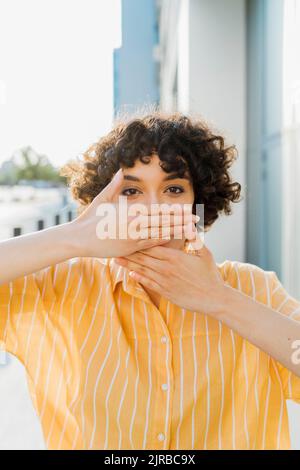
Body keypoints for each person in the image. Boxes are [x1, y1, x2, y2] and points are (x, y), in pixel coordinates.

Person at [0, 111, 300, 450]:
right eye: (131, 191)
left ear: (197, 202)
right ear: (106, 204)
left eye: (173, 188)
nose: (153, 207)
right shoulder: (62, 285)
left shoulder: (251, 288)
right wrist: (74, 237)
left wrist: (220, 299)